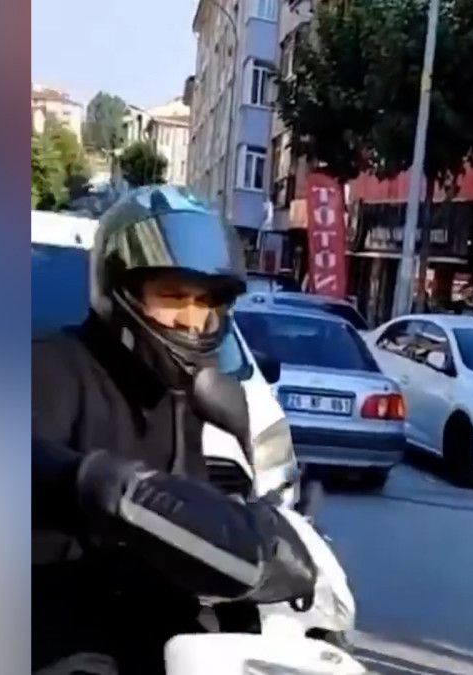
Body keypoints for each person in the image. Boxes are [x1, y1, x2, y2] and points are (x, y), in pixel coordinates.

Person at [32, 186, 319, 675]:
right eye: (173, 297)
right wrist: (94, 480)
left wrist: (264, 519)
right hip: (58, 640)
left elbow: (192, 512)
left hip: (163, 642)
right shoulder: (49, 367)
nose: (192, 320)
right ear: (121, 290)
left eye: (205, 301)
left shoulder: (179, 396)